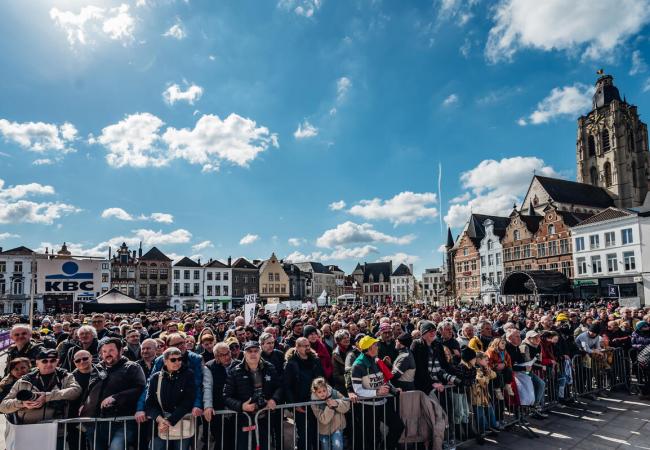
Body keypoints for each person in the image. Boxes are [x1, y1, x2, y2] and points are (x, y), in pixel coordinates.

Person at [80, 337, 146, 450]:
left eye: (111, 350)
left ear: (120, 351)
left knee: (116, 447)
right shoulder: (97, 368)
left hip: (122, 421)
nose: (107, 354)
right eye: (104, 351)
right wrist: (83, 404)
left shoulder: (132, 367)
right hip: (96, 422)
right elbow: (90, 389)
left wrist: (116, 397)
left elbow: (140, 389)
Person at [223, 341, 282, 450]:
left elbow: (279, 387)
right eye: (249, 351)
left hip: (265, 418)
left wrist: (274, 399)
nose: (253, 354)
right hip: (244, 419)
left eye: (256, 351)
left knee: (264, 446)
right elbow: (226, 396)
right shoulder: (235, 371)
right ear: (244, 353)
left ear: (260, 352)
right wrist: (241, 406)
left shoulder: (270, 367)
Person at [135, 333, 204, 425]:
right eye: (176, 345)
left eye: (182, 343)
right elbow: (149, 386)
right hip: (164, 413)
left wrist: (197, 405)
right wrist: (140, 408)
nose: (180, 346)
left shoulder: (195, 359)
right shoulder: (160, 361)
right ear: (167, 347)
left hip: (188, 411)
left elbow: (198, 385)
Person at [0, 348, 81, 426]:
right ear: (37, 363)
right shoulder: (24, 380)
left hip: (57, 431)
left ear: (57, 362)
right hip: (26, 429)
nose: (49, 364)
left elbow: (76, 391)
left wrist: (47, 396)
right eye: (45, 361)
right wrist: (22, 403)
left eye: (52, 361)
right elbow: (3, 406)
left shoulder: (65, 376)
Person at [350, 336, 404, 450]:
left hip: (382, 403)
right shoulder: (357, 365)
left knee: (398, 426)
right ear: (369, 348)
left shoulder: (376, 360)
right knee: (372, 439)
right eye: (375, 345)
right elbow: (358, 390)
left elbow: (383, 380)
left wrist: (393, 389)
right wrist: (377, 392)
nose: (377, 347)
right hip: (368, 407)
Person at [145, 347, 196, 450]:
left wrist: (170, 421)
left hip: (181, 422)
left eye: (179, 359)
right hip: (160, 425)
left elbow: (188, 401)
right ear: (165, 361)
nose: (177, 362)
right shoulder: (155, 378)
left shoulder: (188, 374)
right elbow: (149, 403)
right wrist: (160, 420)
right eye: (173, 360)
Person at [284, 337, 324, 450]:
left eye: (308, 345)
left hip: (315, 401)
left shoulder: (315, 359)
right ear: (297, 347)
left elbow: (321, 378)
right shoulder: (291, 363)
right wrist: (294, 404)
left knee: (316, 431)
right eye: (304, 345)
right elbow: (287, 386)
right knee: (303, 433)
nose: (307, 347)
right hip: (300, 404)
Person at [203, 342, 235, 450]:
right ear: (216, 356)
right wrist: (208, 406)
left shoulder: (238, 364)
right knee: (221, 442)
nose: (227, 357)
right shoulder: (209, 367)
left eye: (228, 353)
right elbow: (207, 388)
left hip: (237, 410)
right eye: (223, 355)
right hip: (218, 411)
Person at [310, 377, 350, 450]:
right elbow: (323, 419)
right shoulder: (314, 403)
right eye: (319, 392)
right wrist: (330, 407)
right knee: (326, 448)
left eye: (324, 390)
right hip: (324, 430)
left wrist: (337, 404)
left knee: (337, 446)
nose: (322, 393)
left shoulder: (334, 393)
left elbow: (347, 405)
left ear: (326, 388)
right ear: (315, 392)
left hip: (337, 427)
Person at [331, 330, 352, 394]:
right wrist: (350, 380)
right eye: (344, 338)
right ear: (338, 341)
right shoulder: (335, 354)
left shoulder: (355, 350)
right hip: (342, 387)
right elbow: (336, 375)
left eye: (347, 337)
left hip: (356, 384)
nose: (347, 339)